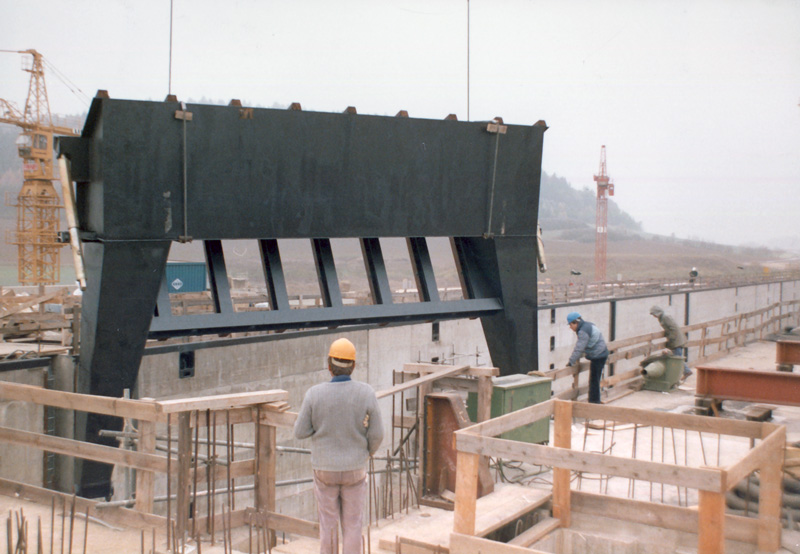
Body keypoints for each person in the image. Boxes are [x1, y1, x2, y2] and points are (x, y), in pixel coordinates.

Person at [294, 338, 384, 554]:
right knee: (353, 524)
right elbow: (377, 433)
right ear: (353, 366)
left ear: (328, 365)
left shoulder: (314, 394)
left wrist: (321, 427)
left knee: (328, 523)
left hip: (325, 469)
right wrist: (368, 452)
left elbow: (300, 431)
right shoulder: (366, 393)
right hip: (354, 468)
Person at [566, 312, 609, 404]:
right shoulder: (588, 325)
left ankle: (594, 402)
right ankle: (594, 400)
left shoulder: (583, 332)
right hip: (602, 353)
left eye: (570, 325)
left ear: (575, 322)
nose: (570, 327)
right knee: (595, 379)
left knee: (594, 380)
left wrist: (571, 362)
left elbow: (579, 348)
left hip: (598, 355)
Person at [650, 305, 692, 381]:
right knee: (677, 357)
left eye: (653, 314)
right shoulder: (662, 317)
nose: (654, 316)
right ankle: (685, 372)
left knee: (677, 358)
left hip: (676, 340)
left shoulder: (665, 317)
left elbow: (673, 328)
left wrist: (670, 339)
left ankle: (686, 371)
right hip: (676, 339)